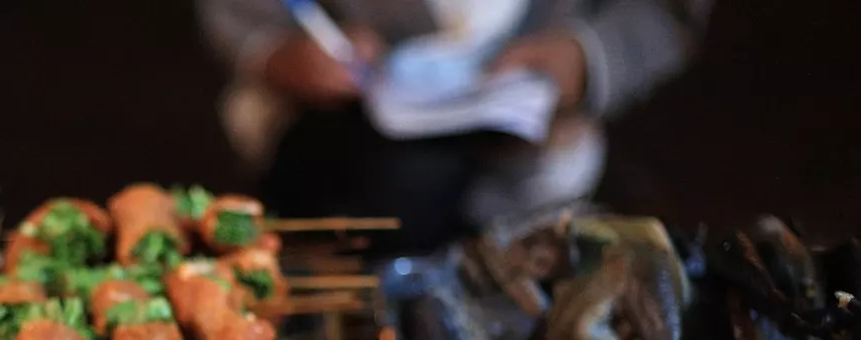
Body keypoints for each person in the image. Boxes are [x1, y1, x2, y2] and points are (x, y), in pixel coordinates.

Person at [198, 0, 713, 254]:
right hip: (344, 150)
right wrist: (276, 52)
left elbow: (669, 12)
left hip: (536, 159)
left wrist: (586, 55)